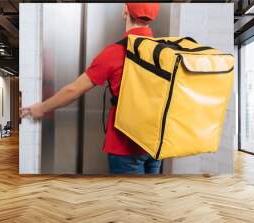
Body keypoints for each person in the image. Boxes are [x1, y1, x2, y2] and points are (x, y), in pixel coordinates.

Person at [20, 3, 161, 175]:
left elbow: (74, 90)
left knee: (128, 199)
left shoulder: (115, 52)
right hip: (156, 143)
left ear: (125, 11)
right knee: (149, 198)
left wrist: (41, 108)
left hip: (125, 146)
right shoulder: (164, 51)